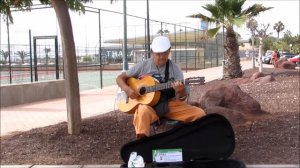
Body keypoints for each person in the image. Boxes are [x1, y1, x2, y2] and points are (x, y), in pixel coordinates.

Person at [116, 36, 206, 139]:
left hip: (170, 106)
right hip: (149, 108)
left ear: (169, 51)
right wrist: (128, 90)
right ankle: (141, 143)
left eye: (165, 53)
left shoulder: (175, 69)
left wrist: (181, 92)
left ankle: (191, 141)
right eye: (158, 54)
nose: (162, 57)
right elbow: (120, 78)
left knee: (200, 113)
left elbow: (183, 98)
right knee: (142, 110)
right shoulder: (143, 65)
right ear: (152, 52)